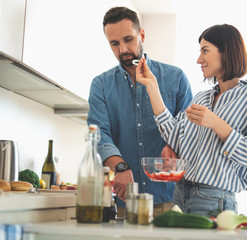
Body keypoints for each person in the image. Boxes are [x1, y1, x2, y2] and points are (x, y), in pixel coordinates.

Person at [136, 24, 247, 217]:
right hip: (179, 194)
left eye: (205, 51)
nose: (198, 59)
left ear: (226, 52)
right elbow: (175, 136)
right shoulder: (202, 98)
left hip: (214, 199)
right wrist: (152, 86)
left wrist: (217, 124)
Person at [87, 6, 193, 217]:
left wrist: (173, 145)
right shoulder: (100, 85)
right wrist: (121, 168)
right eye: (114, 43)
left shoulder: (176, 78)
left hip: (172, 202)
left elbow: (190, 131)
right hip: (127, 204)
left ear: (141, 34)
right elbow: (100, 135)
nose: (123, 49)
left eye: (128, 39)